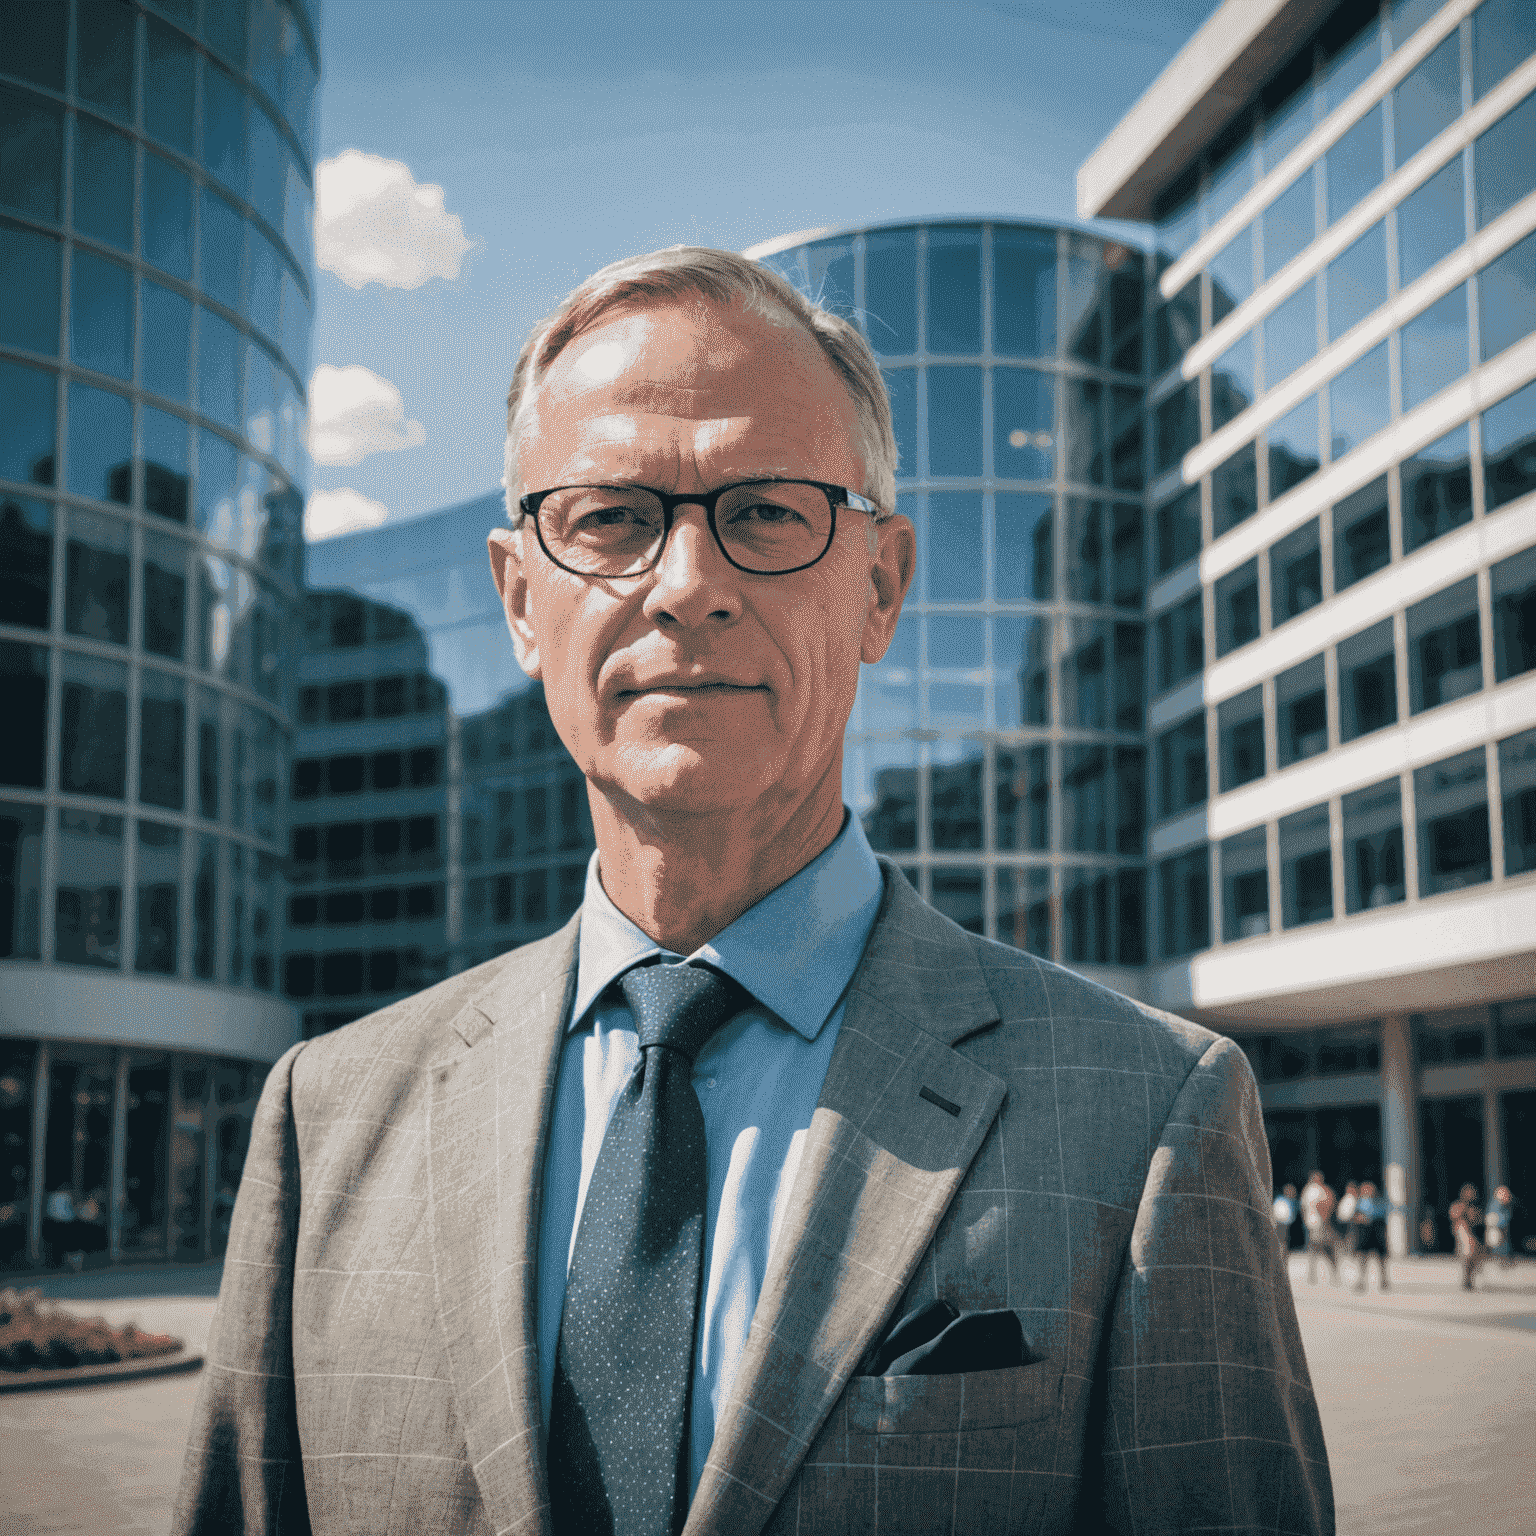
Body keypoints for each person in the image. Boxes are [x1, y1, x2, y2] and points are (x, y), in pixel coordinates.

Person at [173, 248, 1332, 1536]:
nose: (686, 585)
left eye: (769, 512)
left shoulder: (1149, 1116)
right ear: (517, 596)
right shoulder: (323, 1120)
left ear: (880, 585)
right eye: (610, 517)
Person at [1299, 1170, 1339, 1285]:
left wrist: (1325, 1221)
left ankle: (1319, 1274)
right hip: (1313, 1223)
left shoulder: (1318, 1190)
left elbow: (1327, 1205)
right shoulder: (1311, 1190)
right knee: (1316, 1249)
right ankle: (1314, 1274)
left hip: (1317, 1223)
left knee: (1320, 1248)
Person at [1351, 1180, 1390, 1292]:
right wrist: (1360, 1219)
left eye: (1370, 1189)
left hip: (1376, 1233)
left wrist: (1370, 1218)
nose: (1368, 1191)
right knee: (1363, 1260)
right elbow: (1354, 1216)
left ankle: (1384, 1281)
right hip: (1365, 1234)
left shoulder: (1379, 1202)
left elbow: (1383, 1215)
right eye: (1365, 1189)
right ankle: (1361, 1282)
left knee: (1381, 1260)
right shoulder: (1359, 1202)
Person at [1449, 1184, 1486, 1291]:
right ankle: (1466, 1281)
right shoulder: (1458, 1206)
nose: (1471, 1196)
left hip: (1474, 1236)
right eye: (1469, 1193)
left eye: (1472, 1193)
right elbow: (1454, 1216)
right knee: (1467, 1257)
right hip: (1464, 1236)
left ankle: (1469, 1280)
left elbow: (1479, 1220)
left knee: (1474, 1259)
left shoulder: (1474, 1209)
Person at [1485, 1185, 1514, 1269]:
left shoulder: (1504, 1207)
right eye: (1504, 1194)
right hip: (1497, 1234)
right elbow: (1496, 1221)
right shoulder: (1495, 1206)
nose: (1507, 1196)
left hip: (1500, 1236)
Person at [1272, 1182, 1298, 1253]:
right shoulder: (1280, 1200)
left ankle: (1283, 1253)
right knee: (1281, 1240)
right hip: (1280, 1223)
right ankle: (1280, 1253)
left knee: (1285, 1240)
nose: (1291, 1193)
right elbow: (1276, 1212)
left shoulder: (1292, 1201)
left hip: (1286, 1225)